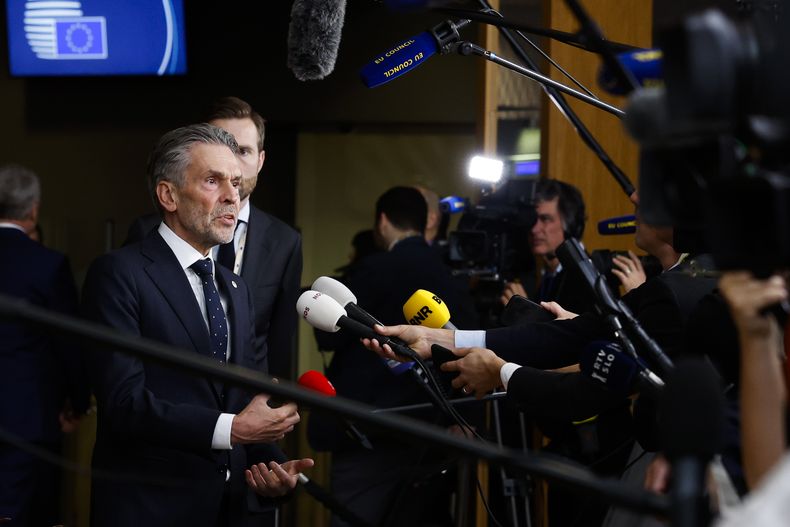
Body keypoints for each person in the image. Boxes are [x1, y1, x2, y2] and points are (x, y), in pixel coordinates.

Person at [82, 124, 312, 527]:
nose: (232, 196)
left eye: (237, 183)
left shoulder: (236, 287)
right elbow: (123, 403)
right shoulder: (119, 273)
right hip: (150, 507)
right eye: (212, 180)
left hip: (231, 508)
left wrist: (274, 469)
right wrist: (235, 429)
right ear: (168, 195)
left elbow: (243, 399)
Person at [308, 186, 477, 527]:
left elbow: (330, 336)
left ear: (382, 222)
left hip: (369, 429)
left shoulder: (374, 269)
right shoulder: (450, 277)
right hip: (431, 431)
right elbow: (469, 346)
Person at [126, 96, 302, 379]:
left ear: (260, 160)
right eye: (212, 177)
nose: (230, 158)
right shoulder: (136, 248)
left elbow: (278, 342)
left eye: (241, 150)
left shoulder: (284, 243)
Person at [0, 164, 91, 526]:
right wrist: (78, 401)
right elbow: (68, 340)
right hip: (27, 416)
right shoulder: (48, 264)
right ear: (34, 209)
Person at [499, 178, 592, 314]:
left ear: (571, 224)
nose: (534, 229)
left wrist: (525, 314)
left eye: (545, 219)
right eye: (532, 219)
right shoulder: (541, 275)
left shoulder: (588, 278)